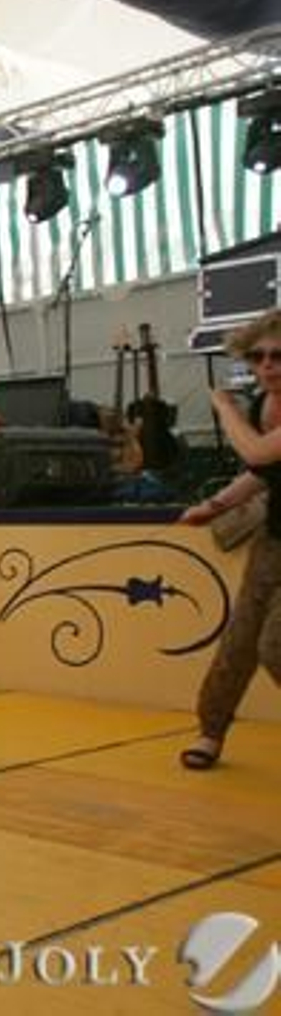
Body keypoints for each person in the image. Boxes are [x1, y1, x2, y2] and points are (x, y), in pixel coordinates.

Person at [179, 309, 281, 770]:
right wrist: (216, 505)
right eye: (259, 357)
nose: (268, 367)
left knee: (274, 647)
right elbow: (262, 471)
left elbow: (257, 450)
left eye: (279, 356)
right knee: (239, 641)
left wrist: (223, 409)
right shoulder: (265, 404)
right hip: (275, 539)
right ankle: (211, 731)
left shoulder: (250, 411)